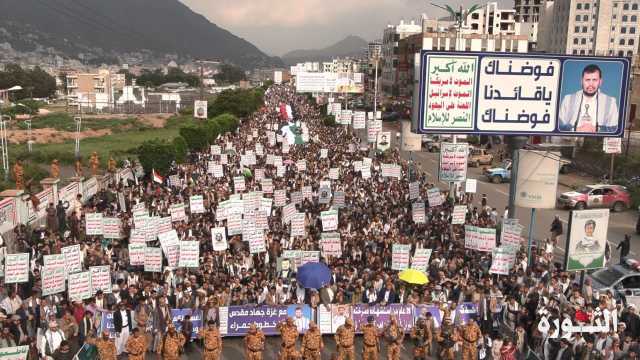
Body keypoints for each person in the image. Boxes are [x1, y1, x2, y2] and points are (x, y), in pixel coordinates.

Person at [559, 64, 619, 133]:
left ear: (600, 82)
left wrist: (597, 129)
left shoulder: (611, 102)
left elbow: (615, 129)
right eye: (587, 80)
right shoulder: (568, 99)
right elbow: (559, 125)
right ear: (581, 81)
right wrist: (575, 129)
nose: (591, 84)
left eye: (594, 80)